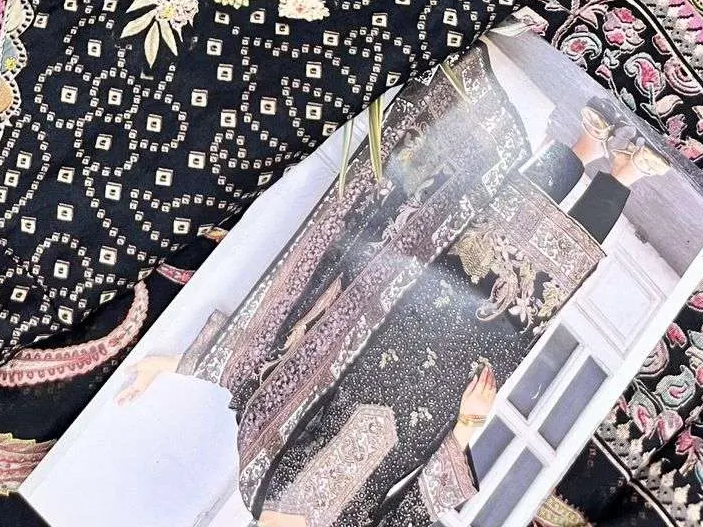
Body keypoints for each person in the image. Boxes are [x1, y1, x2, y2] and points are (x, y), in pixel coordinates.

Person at [119, 45, 667, 526]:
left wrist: (170, 364)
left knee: (489, 230)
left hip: (402, 311)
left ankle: (584, 146)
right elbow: (414, 510)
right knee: (534, 285)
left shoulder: (255, 472)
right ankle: (626, 173)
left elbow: (255, 368)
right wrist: (465, 429)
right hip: (447, 378)